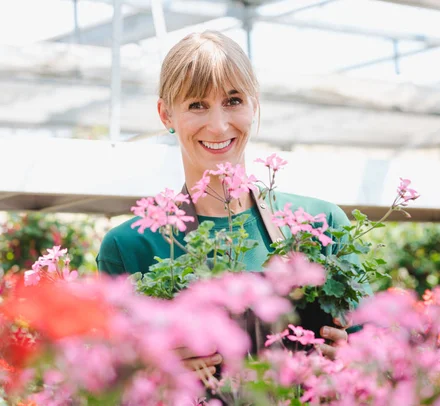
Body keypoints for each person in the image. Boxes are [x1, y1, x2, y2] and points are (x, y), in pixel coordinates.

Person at [96, 30, 361, 378]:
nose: (219, 126)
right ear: (166, 115)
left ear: (255, 105)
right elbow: (109, 381)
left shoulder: (322, 223)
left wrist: (350, 355)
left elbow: (378, 355)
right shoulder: (129, 246)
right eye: (196, 105)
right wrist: (152, 370)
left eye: (233, 101)